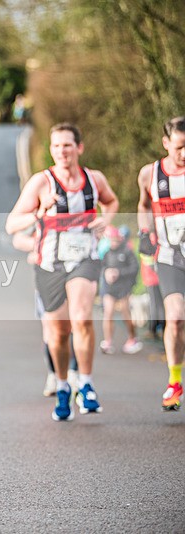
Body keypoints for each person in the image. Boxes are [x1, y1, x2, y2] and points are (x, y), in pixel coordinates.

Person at [6, 122, 119, 422]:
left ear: (79, 147)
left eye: (67, 145)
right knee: (58, 332)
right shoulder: (41, 182)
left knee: (81, 317)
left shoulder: (94, 179)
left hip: (84, 258)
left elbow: (111, 201)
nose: (61, 151)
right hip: (50, 264)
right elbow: (11, 224)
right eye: (56, 146)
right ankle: (62, 384)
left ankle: (87, 384)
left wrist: (106, 219)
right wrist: (39, 212)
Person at [137, 116, 185, 411]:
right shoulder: (150, 174)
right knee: (176, 318)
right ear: (166, 143)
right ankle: (175, 381)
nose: (184, 153)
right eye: (179, 147)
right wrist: (145, 231)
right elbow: (143, 205)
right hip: (170, 256)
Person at [12, 230, 79, 396]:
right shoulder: (40, 220)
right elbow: (18, 239)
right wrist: (43, 246)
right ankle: (53, 375)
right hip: (47, 285)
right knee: (50, 331)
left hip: (73, 280)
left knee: (75, 327)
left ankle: (73, 373)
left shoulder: (76, 219)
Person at [99, 225, 142, 355]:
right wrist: (106, 273)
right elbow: (102, 267)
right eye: (111, 240)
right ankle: (107, 341)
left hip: (124, 287)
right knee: (108, 313)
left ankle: (132, 338)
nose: (113, 242)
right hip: (110, 288)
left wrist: (119, 272)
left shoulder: (127, 251)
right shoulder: (107, 253)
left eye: (115, 240)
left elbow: (134, 268)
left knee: (125, 313)